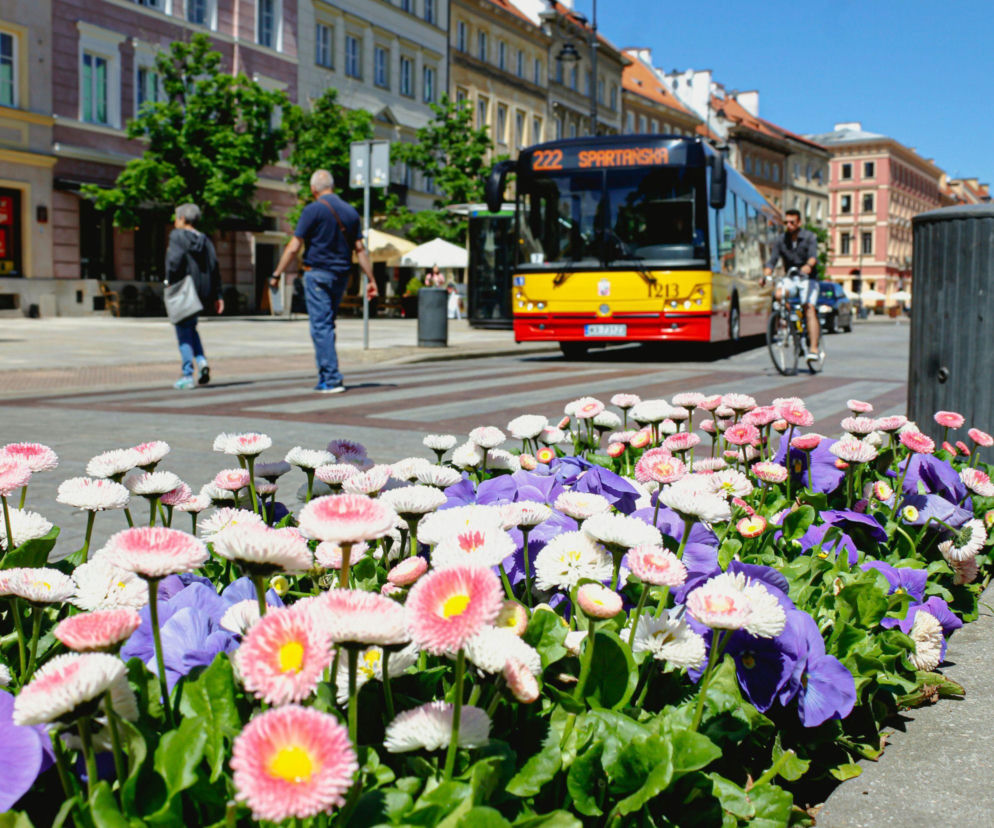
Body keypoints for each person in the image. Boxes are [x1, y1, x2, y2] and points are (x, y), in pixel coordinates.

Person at [271, 169, 377, 393]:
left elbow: (294, 246)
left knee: (321, 326)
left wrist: (277, 273)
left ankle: (331, 378)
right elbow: (360, 249)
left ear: (313, 189)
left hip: (318, 274)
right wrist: (371, 278)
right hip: (341, 275)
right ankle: (325, 376)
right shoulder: (350, 212)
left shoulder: (313, 210)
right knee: (327, 324)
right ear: (333, 187)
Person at [165, 203, 222, 390]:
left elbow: (174, 261)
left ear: (182, 219)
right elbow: (214, 266)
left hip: (183, 290)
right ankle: (202, 361)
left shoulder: (177, 236)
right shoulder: (205, 240)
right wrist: (218, 294)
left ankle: (187, 374)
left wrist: (169, 281)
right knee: (191, 328)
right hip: (201, 292)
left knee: (183, 332)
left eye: (176, 217)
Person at [763, 209, 821, 363]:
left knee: (809, 307)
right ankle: (791, 323)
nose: (788, 225)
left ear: (799, 223)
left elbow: (813, 256)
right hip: (791, 277)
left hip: (808, 278)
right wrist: (766, 274)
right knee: (779, 295)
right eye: (786, 222)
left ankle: (814, 349)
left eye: (792, 222)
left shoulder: (809, 237)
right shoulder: (781, 240)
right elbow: (772, 260)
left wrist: (808, 265)